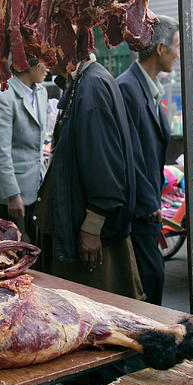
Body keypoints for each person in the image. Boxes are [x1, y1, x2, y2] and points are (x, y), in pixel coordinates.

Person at [37, 53, 142, 300]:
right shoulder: (79, 82)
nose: (42, 55)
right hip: (78, 227)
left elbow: (103, 162)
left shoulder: (91, 85)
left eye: (48, 45)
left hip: (92, 235)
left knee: (100, 317)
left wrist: (92, 227)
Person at [117, 15, 179, 305]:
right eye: (176, 46)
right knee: (149, 280)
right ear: (160, 48)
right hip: (139, 209)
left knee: (152, 278)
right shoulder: (128, 87)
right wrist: (148, 201)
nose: (178, 55)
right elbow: (132, 154)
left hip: (149, 204)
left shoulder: (151, 88)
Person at [0, 54, 48, 243]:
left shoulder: (41, 92)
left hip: (35, 186)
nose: (48, 67)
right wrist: (12, 194)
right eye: (44, 62)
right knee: (13, 254)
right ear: (28, 65)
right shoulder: (4, 97)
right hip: (11, 194)